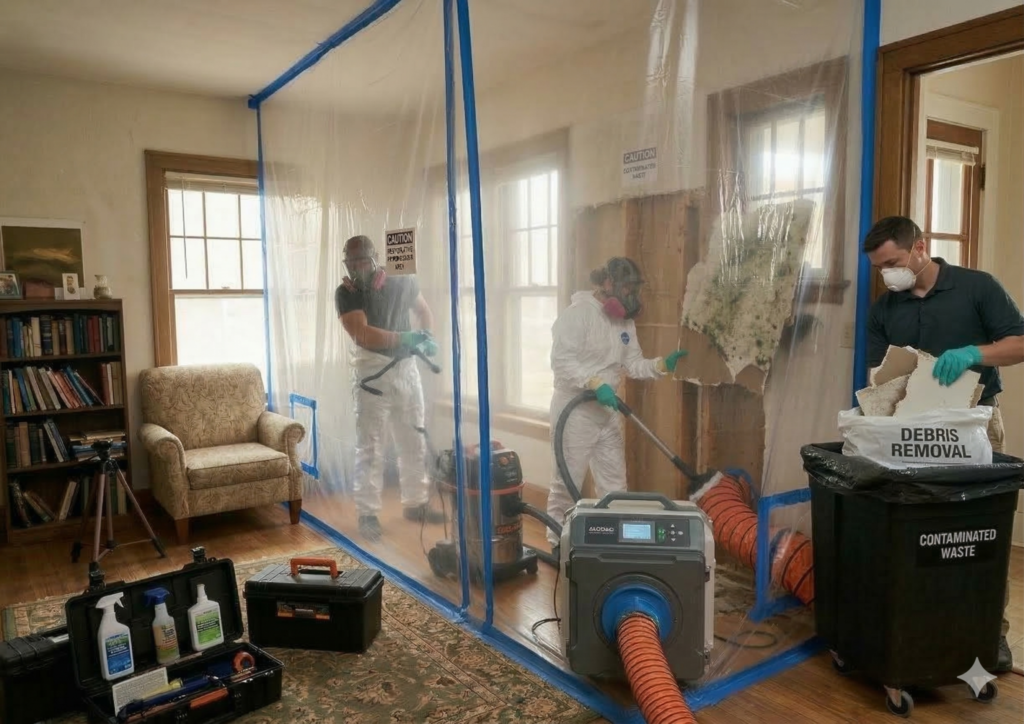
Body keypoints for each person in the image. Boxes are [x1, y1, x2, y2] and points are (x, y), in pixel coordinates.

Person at [864, 215, 1024, 673]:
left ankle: (992, 634)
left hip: (975, 424)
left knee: (981, 531)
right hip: (911, 432)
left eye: (892, 262)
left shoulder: (977, 288)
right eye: (879, 268)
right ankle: (924, 628)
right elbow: (879, 376)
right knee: (921, 534)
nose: (887, 274)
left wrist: (975, 353)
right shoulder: (885, 309)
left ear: (920, 247)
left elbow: (1019, 342)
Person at [545, 257, 688, 550]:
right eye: (626, 288)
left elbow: (633, 364)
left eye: (634, 289)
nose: (631, 296)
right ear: (608, 283)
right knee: (567, 481)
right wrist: (593, 383)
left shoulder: (625, 321)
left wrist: (662, 364)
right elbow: (561, 362)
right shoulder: (578, 315)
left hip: (608, 411)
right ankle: (556, 543)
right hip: (574, 414)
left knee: (615, 485)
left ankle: (615, 543)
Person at [336, 234, 443, 542]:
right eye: (351, 262)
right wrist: (405, 338)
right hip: (372, 371)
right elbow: (362, 334)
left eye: (362, 261)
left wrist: (426, 334)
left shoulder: (401, 281)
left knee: (414, 438)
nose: (357, 268)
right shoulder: (346, 293)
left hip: (407, 371)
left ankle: (416, 503)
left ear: (376, 259)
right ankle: (367, 513)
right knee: (371, 447)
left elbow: (423, 311)